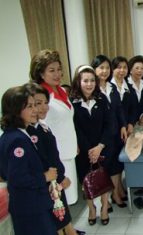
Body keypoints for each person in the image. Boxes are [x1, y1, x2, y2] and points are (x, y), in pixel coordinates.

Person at [0, 86, 57, 235]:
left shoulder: (16, 134)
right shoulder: (17, 140)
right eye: (29, 106)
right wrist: (45, 176)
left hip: (30, 204)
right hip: (30, 207)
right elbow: (17, 178)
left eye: (35, 105)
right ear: (15, 110)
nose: (35, 110)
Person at [25, 83, 80, 235]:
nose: (43, 108)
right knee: (55, 222)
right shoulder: (27, 133)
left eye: (45, 103)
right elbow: (43, 161)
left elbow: (53, 156)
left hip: (54, 182)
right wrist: (60, 177)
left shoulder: (42, 127)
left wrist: (61, 176)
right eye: (36, 104)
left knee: (62, 217)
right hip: (46, 184)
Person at [29, 49, 78, 205]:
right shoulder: (40, 96)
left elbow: (66, 120)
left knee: (68, 198)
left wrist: (74, 143)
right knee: (58, 200)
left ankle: (68, 228)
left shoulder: (62, 91)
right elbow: (37, 127)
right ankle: (64, 229)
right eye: (51, 70)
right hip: (54, 155)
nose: (57, 74)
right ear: (41, 74)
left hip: (68, 150)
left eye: (58, 69)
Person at [70, 65, 114, 225]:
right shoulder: (72, 103)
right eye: (85, 81)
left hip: (103, 147)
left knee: (103, 178)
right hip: (83, 151)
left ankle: (103, 207)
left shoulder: (102, 99)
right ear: (78, 82)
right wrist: (90, 150)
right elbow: (75, 129)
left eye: (92, 81)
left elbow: (110, 125)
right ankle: (91, 209)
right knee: (86, 180)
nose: (89, 84)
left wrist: (100, 146)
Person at [91, 54, 127, 209]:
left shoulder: (112, 87)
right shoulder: (92, 89)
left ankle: (116, 192)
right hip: (102, 135)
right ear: (94, 70)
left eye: (107, 68)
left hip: (116, 132)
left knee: (117, 164)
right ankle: (109, 198)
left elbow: (119, 109)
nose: (104, 71)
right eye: (101, 68)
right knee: (105, 167)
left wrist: (123, 126)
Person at [127, 55, 143, 198]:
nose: (139, 70)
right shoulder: (125, 83)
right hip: (128, 123)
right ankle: (134, 182)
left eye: (142, 68)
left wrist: (142, 120)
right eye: (137, 68)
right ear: (130, 70)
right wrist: (131, 123)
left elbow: (142, 105)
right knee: (132, 151)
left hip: (140, 121)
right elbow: (126, 107)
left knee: (142, 151)